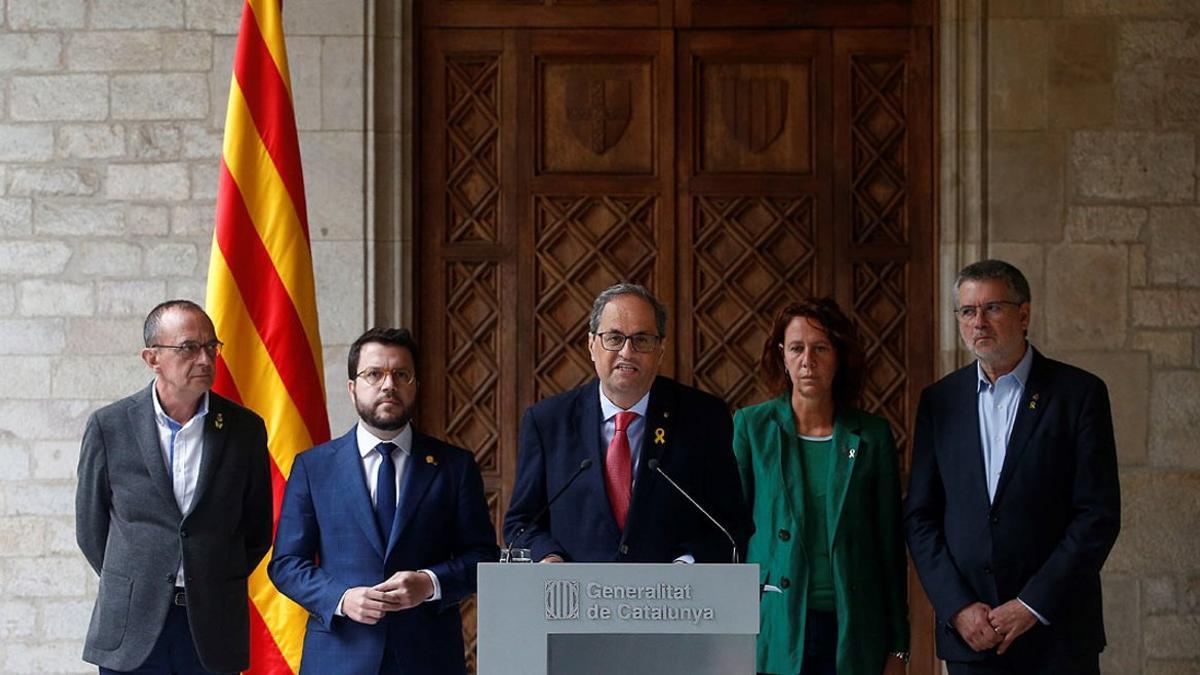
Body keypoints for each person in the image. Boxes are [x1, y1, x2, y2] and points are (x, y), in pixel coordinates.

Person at [904, 260, 1121, 675]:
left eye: (993, 308)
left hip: (1057, 634)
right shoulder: (940, 402)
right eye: (968, 311)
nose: (978, 322)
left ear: (1024, 314)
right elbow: (920, 516)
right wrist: (959, 607)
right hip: (972, 637)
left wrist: (1031, 605)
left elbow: (1097, 515)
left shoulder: (1079, 394)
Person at [269, 327, 497, 675]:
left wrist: (429, 583)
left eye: (401, 374)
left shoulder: (454, 465)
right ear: (352, 388)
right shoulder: (313, 467)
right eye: (374, 374)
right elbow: (286, 564)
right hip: (339, 656)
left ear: (415, 386)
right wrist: (341, 599)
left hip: (428, 658)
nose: (388, 385)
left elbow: (483, 557)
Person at [75, 300, 273, 674]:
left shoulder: (244, 429)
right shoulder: (110, 426)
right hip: (132, 628)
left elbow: (257, 529)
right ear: (152, 358)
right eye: (189, 348)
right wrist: (139, 578)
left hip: (213, 627)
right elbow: (90, 529)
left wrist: (212, 573)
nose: (205, 359)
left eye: (211, 347)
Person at [503, 282, 751, 563]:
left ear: (660, 349)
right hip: (573, 599)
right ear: (591, 345)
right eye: (614, 338)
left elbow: (731, 524)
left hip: (674, 600)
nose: (627, 352)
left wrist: (688, 566)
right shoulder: (547, 421)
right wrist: (548, 556)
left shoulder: (704, 417)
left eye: (642, 339)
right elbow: (521, 522)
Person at [733, 299, 909, 675]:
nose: (807, 360)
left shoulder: (872, 435)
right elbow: (732, 533)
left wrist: (899, 646)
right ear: (782, 355)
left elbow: (889, 546)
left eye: (821, 348)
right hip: (775, 623)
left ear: (839, 356)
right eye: (797, 348)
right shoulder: (752, 427)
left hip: (855, 627)